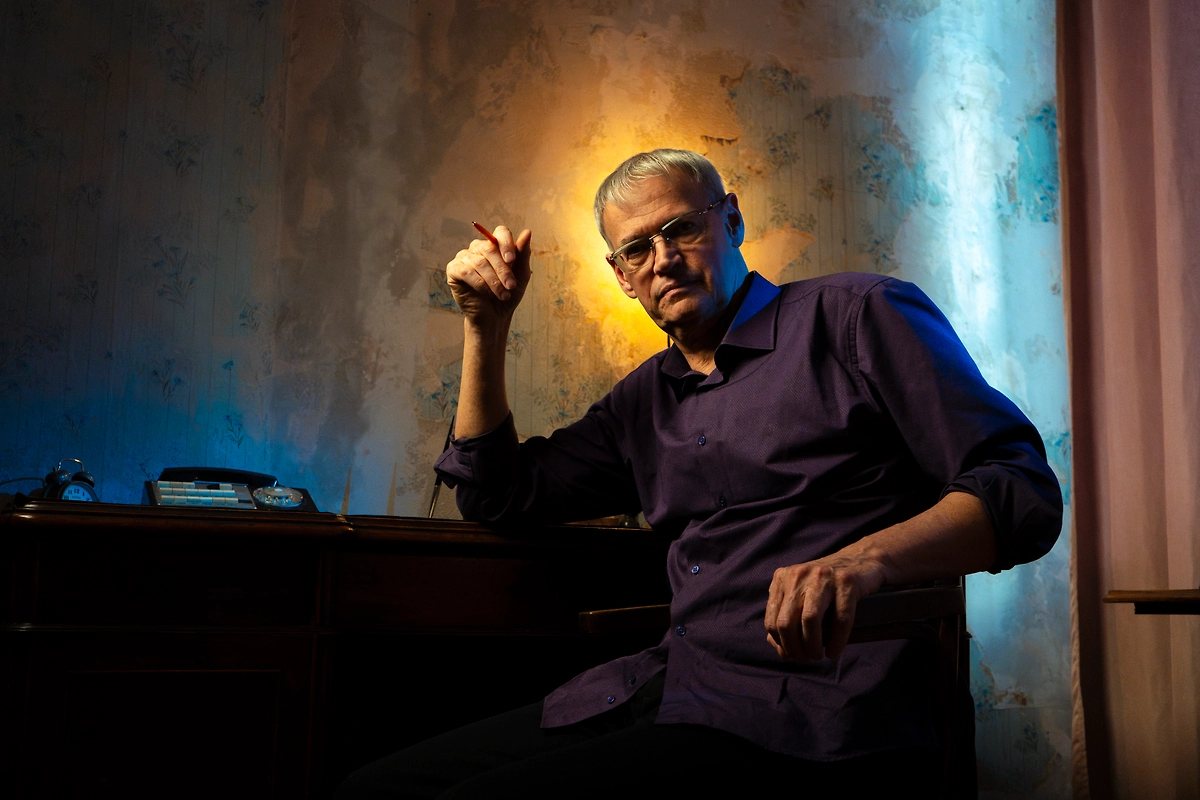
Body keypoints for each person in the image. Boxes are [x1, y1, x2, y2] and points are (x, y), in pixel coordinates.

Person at [336, 149, 1062, 798]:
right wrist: (484, 326)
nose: (663, 259)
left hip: (823, 710)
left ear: (732, 221)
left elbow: (1019, 487)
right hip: (677, 688)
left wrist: (861, 562)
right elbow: (497, 494)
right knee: (372, 790)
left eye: (681, 228)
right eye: (636, 248)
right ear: (622, 277)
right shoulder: (640, 403)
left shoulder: (856, 317)